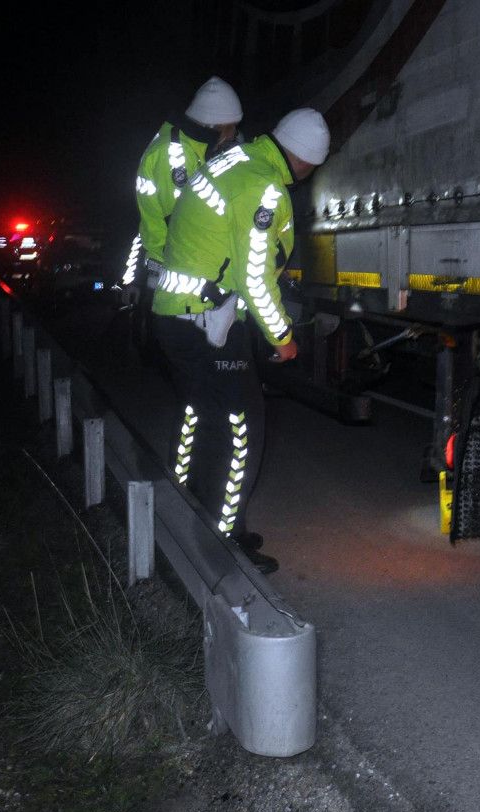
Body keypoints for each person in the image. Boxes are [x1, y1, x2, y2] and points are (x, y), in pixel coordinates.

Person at [151, 108, 331, 569]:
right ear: (307, 161)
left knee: (199, 415)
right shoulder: (262, 184)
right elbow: (254, 276)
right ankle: (224, 539)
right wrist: (284, 337)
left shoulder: (235, 159)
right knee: (240, 429)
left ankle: (184, 505)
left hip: (177, 315)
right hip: (204, 324)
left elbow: (226, 257)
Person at [122, 77, 243, 339]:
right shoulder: (174, 155)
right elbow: (186, 226)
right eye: (232, 127)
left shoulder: (191, 148)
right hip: (182, 287)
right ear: (216, 124)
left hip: (185, 283)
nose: (234, 135)